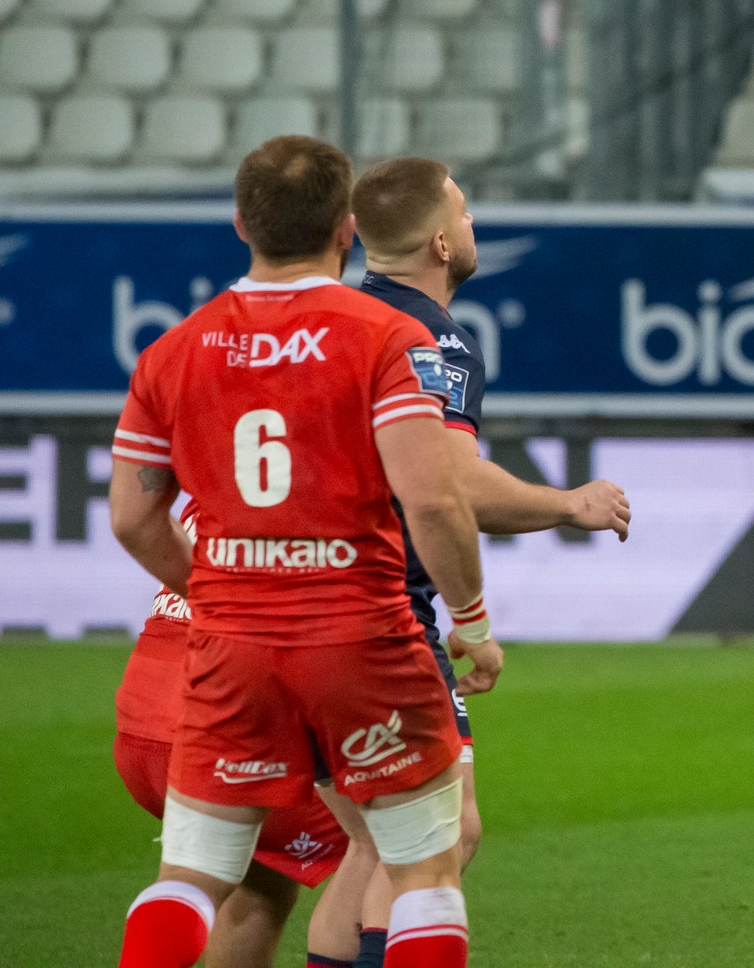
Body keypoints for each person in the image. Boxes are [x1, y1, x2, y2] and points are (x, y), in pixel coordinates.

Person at [109, 135, 502, 968]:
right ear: (346, 229)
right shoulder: (385, 338)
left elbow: (133, 519)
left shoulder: (171, 351)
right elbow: (433, 498)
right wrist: (470, 619)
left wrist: (218, 587)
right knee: (425, 866)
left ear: (240, 222)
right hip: (361, 637)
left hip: (231, 650)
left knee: (190, 877)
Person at [340, 155, 634, 968]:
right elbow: (451, 483)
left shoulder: (338, 316)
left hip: (298, 607)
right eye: (464, 214)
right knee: (439, 836)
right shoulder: (430, 336)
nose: (472, 228)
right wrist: (568, 503)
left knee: (371, 847)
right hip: (385, 614)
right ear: (439, 242)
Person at [112, 501, 374, 968]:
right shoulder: (322, 464)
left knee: (257, 880)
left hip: (142, 721)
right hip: (233, 715)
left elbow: (132, 517)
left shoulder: (218, 461)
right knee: (392, 844)